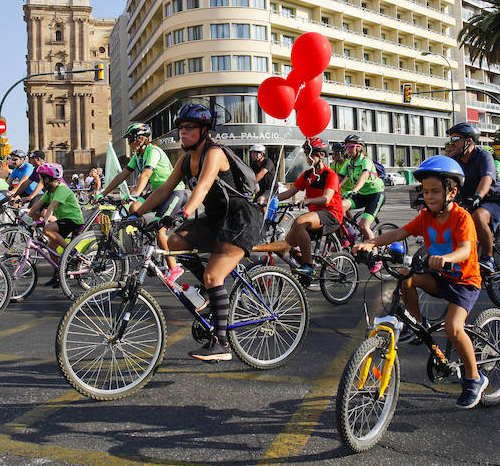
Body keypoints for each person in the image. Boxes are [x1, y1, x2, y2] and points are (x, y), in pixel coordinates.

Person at [352, 156, 487, 409]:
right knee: (406, 277)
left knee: (453, 328)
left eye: (435, 191)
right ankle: (420, 324)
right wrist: (370, 242)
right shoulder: (426, 217)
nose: (429, 196)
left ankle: (474, 378)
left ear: (452, 191)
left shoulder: (461, 218)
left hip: (464, 282)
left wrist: (445, 259)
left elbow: (466, 250)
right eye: (425, 192)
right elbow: (398, 233)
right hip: (441, 278)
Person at [133, 104, 262, 363]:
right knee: (173, 242)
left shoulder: (214, 153)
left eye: (189, 127)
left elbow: (202, 188)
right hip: (216, 219)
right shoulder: (185, 159)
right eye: (181, 128)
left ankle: (222, 344)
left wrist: (182, 214)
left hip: (240, 218)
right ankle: (206, 291)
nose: (183, 132)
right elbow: (164, 190)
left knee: (214, 274)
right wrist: (134, 214)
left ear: (204, 130)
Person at [100, 123, 188, 284]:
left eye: (130, 139)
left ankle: (174, 267)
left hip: (174, 192)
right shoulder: (137, 156)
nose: (128, 143)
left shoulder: (153, 151)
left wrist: (135, 193)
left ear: (141, 139)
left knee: (159, 230)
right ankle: (146, 242)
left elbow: (146, 174)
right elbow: (122, 176)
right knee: (133, 209)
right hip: (158, 193)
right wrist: (103, 193)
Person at [267, 137, 343, 276]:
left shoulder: (330, 175)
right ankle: (303, 272)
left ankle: (309, 265)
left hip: (331, 214)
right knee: (287, 244)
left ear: (321, 155)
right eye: (306, 153)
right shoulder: (307, 174)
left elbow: (326, 199)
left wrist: (308, 201)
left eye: (310, 153)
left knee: (299, 222)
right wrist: (269, 200)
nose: (307, 157)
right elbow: (290, 192)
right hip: (315, 216)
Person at [446, 123, 500, 274]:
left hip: (493, 199)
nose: (452, 142)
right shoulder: (454, 160)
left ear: (468, 141)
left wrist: (478, 196)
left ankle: (488, 259)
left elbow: (486, 179)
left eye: (456, 138)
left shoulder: (483, 156)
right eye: (451, 139)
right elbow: (444, 180)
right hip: (470, 200)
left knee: (478, 216)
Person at [28, 163, 84, 287]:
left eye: (42, 178)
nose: (41, 181)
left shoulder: (61, 188)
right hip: (64, 221)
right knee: (51, 249)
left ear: (48, 178)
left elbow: (52, 206)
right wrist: (26, 219)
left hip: (73, 220)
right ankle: (59, 276)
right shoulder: (50, 191)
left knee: (48, 229)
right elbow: (36, 205)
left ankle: (71, 251)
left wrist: (45, 222)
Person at [339, 134, 385, 273]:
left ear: (359, 148)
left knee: (364, 225)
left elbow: (364, 177)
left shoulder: (366, 161)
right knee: (339, 207)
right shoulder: (348, 164)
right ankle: (349, 234)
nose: (348, 149)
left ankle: (377, 257)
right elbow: (338, 179)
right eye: (346, 146)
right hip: (361, 195)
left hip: (375, 194)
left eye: (351, 146)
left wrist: (353, 190)